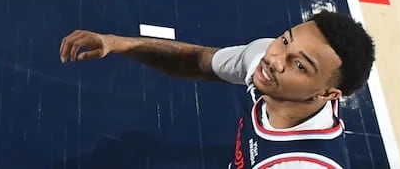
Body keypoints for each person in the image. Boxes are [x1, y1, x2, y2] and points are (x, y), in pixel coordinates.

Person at [59, 11, 377, 168]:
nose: (277, 59)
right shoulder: (265, 63)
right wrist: (118, 43)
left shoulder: (299, 165)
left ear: (328, 95)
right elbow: (197, 61)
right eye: (285, 40)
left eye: (300, 65)